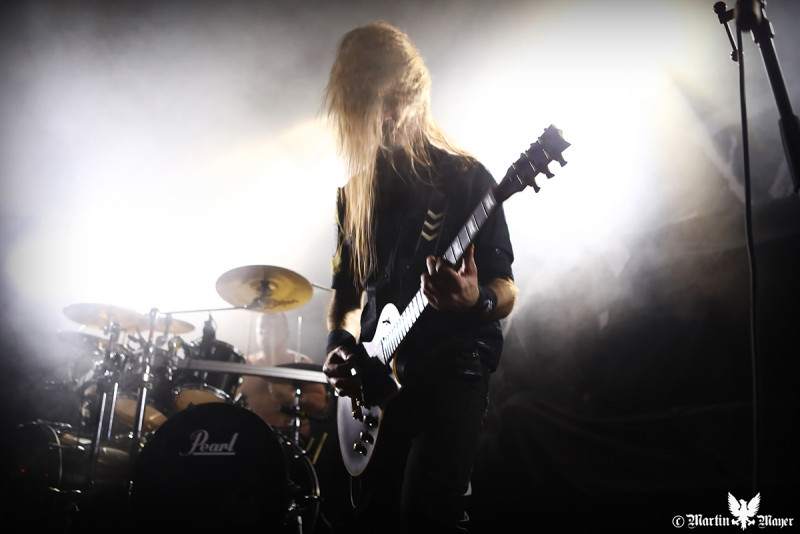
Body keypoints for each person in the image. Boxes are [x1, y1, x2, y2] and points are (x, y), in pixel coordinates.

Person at [321, 22, 517, 534]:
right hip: (379, 379)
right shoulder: (353, 196)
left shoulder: (468, 180)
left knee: (428, 515)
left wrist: (475, 300)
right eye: (373, 102)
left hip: (453, 369)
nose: (386, 115)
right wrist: (340, 344)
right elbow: (345, 296)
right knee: (369, 519)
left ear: (413, 94)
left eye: (394, 101)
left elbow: (506, 288)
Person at [236, 312, 328, 443]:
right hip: (247, 439)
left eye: (274, 326)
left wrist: (293, 397)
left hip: (289, 440)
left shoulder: (300, 362)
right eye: (262, 326)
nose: (266, 331)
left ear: (286, 332)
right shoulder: (244, 365)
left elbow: (321, 405)